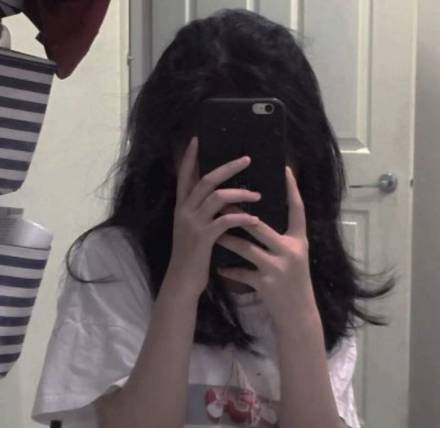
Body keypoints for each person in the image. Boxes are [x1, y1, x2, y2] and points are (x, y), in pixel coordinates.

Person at [31, 8, 395, 428]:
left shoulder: (314, 271)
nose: (238, 169)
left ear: (301, 150)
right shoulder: (114, 259)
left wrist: (299, 319)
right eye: (217, 147)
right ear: (168, 153)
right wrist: (180, 289)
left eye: (261, 146)